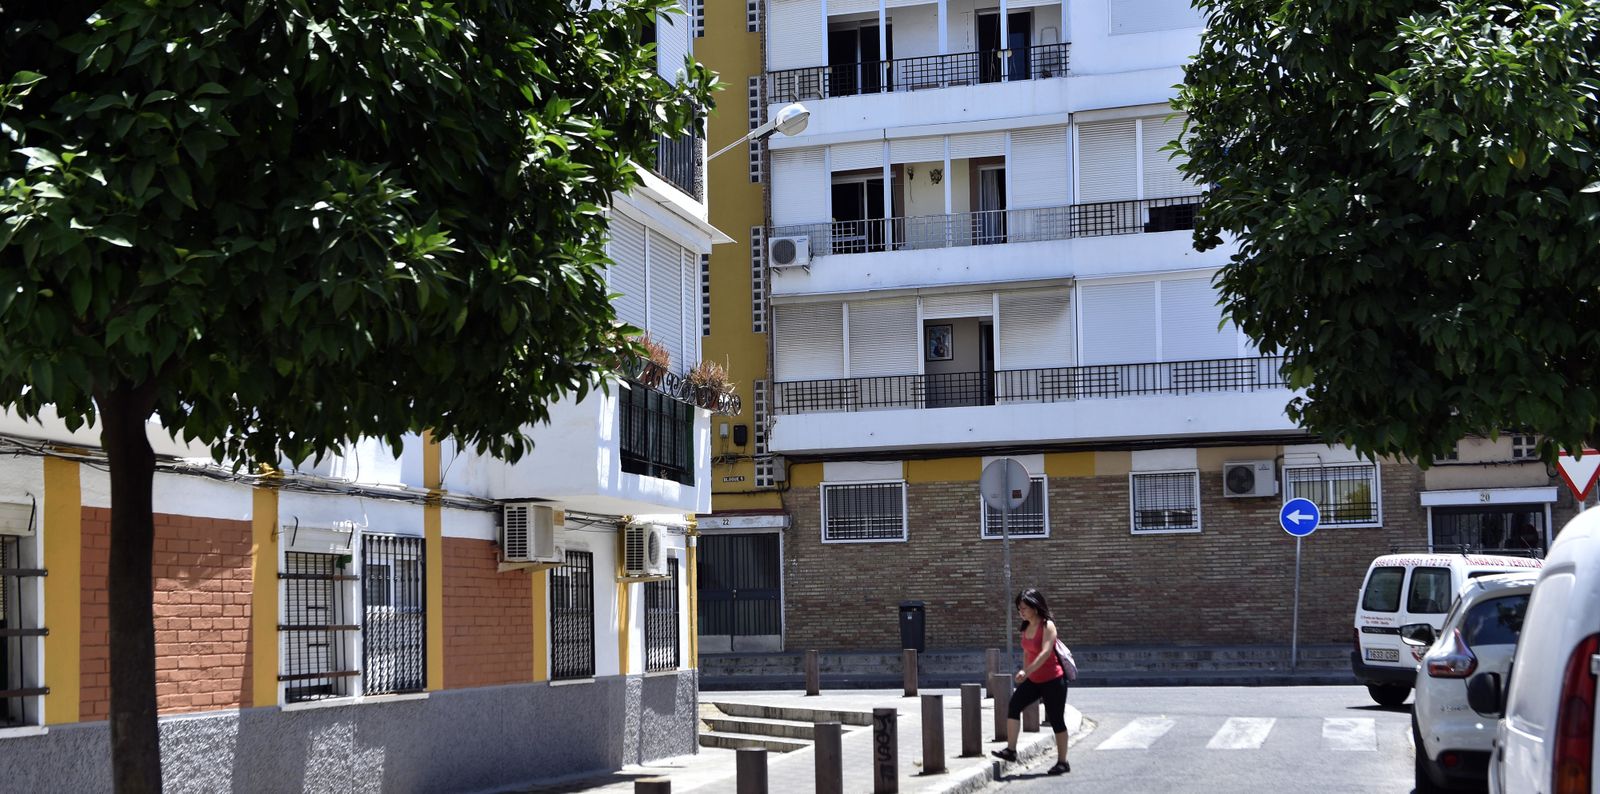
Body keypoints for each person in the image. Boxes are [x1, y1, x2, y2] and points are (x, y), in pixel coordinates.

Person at [990, 588, 1072, 775]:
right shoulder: (1026, 627)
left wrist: (1026, 671)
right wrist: (1025, 673)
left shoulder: (1047, 625)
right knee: (1014, 706)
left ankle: (1063, 762)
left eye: (1024, 608)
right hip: (1034, 680)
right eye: (1019, 609)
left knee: (1056, 720)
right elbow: (1027, 653)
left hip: (1054, 680)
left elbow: (1045, 653)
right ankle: (1011, 750)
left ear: (1035, 607)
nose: (1021, 612)